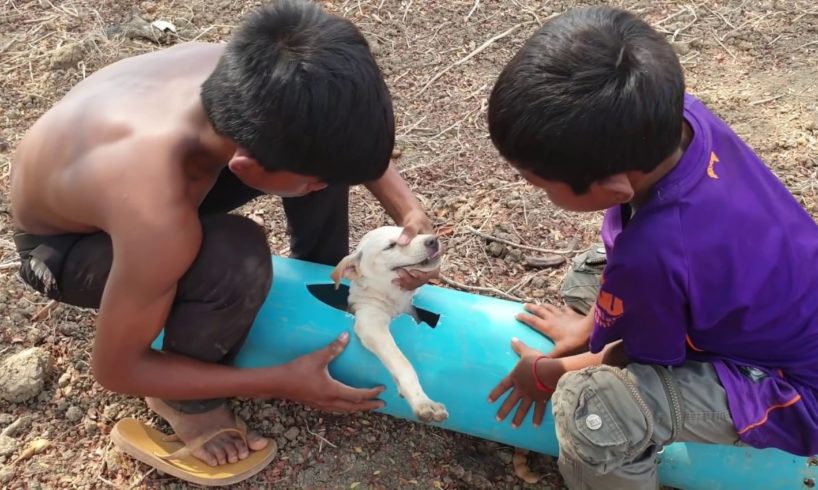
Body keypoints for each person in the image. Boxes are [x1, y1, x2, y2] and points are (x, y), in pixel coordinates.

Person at [10, 0, 437, 470]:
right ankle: (184, 405)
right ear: (247, 168)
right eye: (312, 183)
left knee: (321, 163)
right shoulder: (155, 208)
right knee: (233, 259)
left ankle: (321, 289)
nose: (320, 189)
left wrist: (409, 211)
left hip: (147, 170)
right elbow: (115, 369)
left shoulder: (270, 78)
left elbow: (346, 145)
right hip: (65, 244)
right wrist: (278, 381)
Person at [485, 6, 818, 489]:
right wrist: (588, 328)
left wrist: (548, 370)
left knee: (591, 407)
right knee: (590, 276)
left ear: (618, 187)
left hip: (797, 391)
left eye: (541, 185)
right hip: (771, 310)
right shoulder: (681, 119)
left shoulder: (657, 252)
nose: (537, 192)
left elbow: (631, 358)